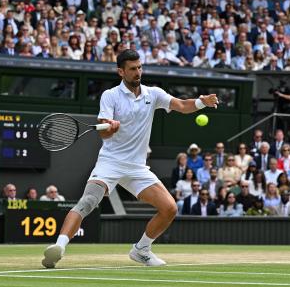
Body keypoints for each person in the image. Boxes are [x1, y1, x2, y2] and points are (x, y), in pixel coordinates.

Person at [42, 50, 219, 268]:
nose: (138, 72)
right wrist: (111, 127)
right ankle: (58, 248)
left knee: (170, 208)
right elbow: (104, 132)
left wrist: (202, 102)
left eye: (140, 67)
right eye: (133, 69)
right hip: (110, 162)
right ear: (121, 71)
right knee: (87, 202)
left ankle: (141, 249)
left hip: (137, 167)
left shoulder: (153, 94)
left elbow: (182, 106)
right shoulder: (110, 96)